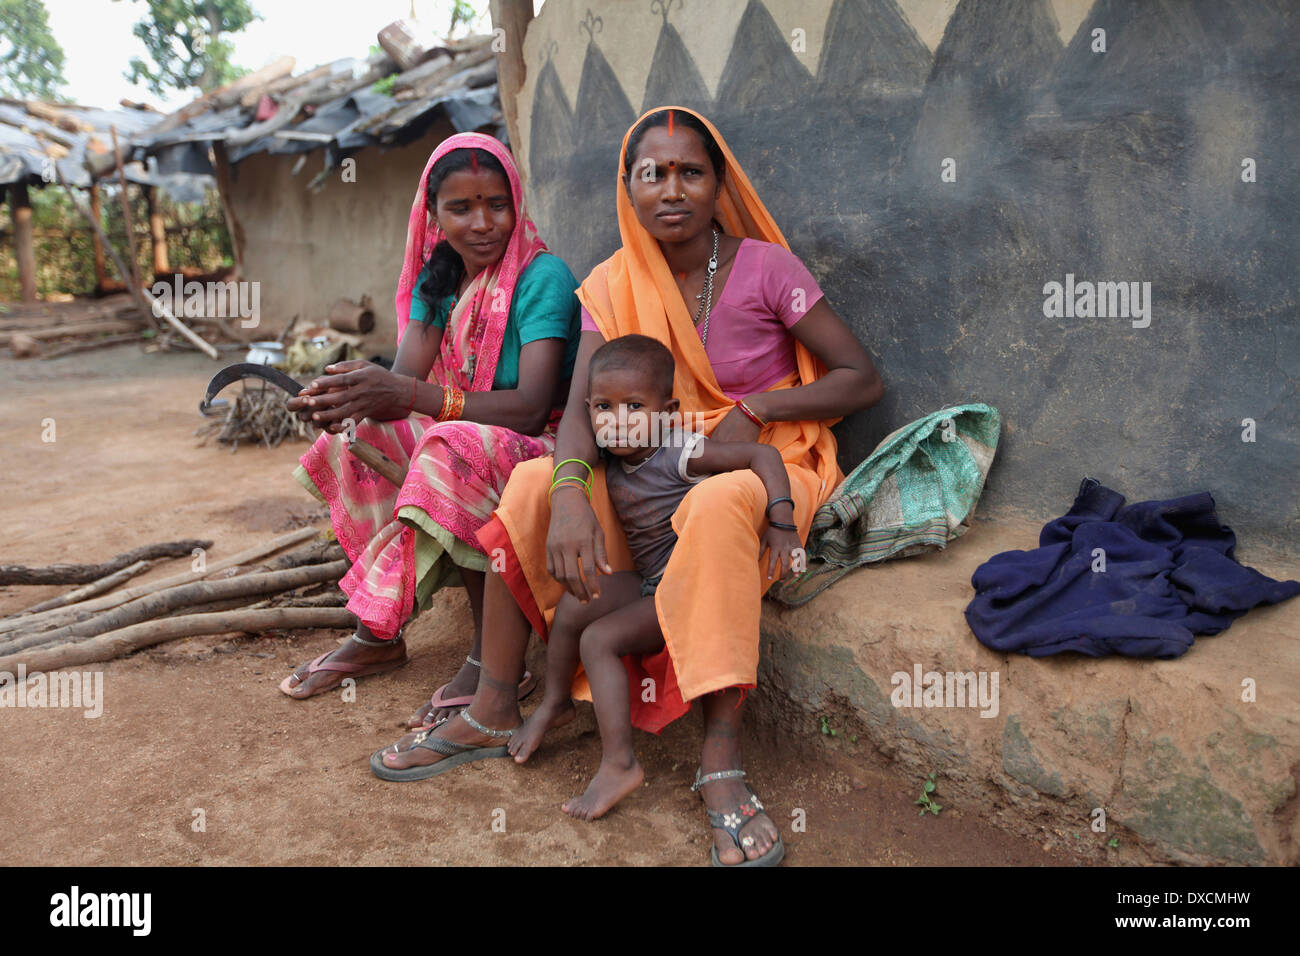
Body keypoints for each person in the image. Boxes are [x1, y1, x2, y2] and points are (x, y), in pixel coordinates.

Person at [372, 107, 884, 868]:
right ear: (628, 186)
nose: (672, 189)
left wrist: (758, 409)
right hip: (647, 458)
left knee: (712, 503)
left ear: (719, 184)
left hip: (760, 458)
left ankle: (720, 758)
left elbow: (861, 378)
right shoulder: (612, 286)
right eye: (654, 173)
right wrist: (573, 491)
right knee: (533, 486)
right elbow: (583, 405)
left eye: (691, 172)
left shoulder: (768, 267)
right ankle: (491, 706)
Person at [277, 132, 581, 726]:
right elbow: (401, 386)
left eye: (497, 203)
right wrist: (341, 397)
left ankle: (491, 656)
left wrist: (407, 395)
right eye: (461, 208)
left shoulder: (542, 276)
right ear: (433, 215)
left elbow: (529, 407)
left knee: (449, 448)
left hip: (545, 440)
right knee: (359, 437)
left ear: (516, 203)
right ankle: (379, 632)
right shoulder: (438, 280)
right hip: (470, 429)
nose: (483, 222)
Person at [500, 333, 804, 826]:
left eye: (634, 406)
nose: (617, 421)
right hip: (646, 581)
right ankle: (555, 702)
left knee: (599, 639)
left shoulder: (680, 453)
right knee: (575, 604)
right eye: (604, 407)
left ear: (667, 409)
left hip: (682, 590)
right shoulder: (612, 454)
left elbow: (763, 458)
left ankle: (619, 763)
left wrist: (784, 525)